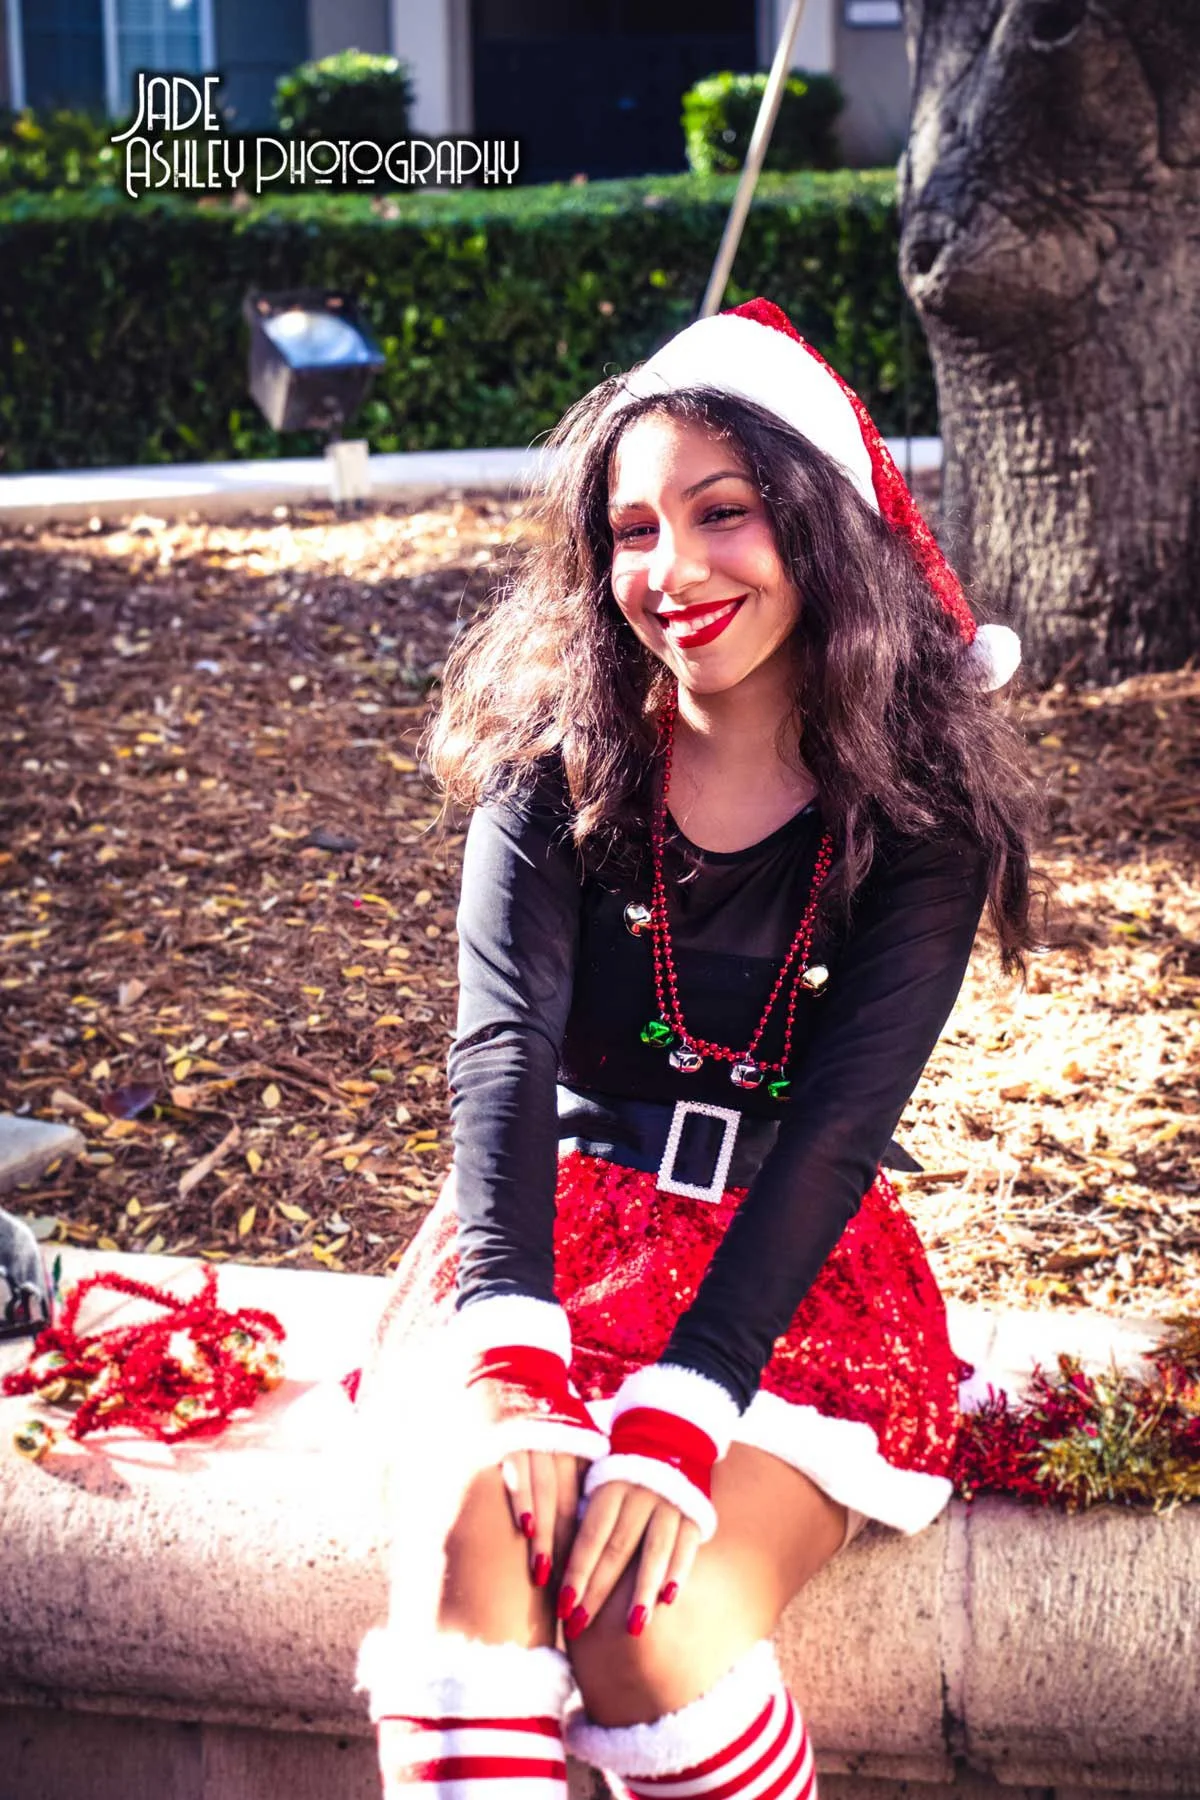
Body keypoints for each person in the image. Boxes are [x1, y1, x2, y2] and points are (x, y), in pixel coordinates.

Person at [353, 297, 1044, 1800]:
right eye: (632, 529)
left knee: (643, 1634)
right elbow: (501, 1062)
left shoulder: (923, 824)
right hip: (549, 1246)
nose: (673, 569)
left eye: (721, 513)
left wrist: (686, 1405)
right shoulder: (552, 777)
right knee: (484, 1563)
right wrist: (512, 1355)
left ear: (816, 526)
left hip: (788, 1282)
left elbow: (840, 1128)